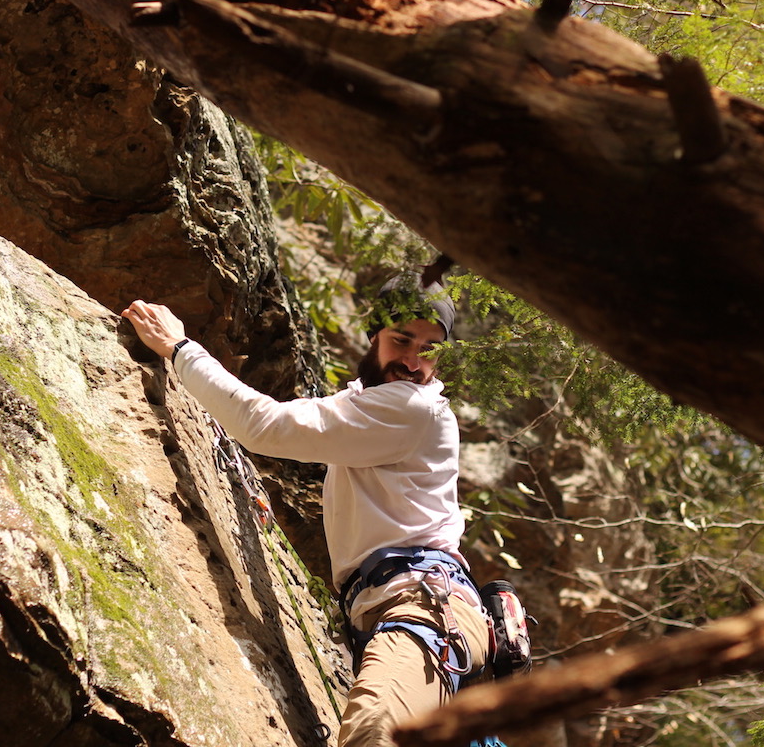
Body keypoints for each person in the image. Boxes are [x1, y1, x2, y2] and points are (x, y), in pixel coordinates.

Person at [122, 272, 491, 747]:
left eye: (430, 348)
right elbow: (280, 424)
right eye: (402, 340)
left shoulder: (415, 408)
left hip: (422, 605)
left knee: (374, 734)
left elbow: (265, 425)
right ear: (374, 332)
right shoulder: (366, 400)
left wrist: (179, 348)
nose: (414, 360)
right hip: (399, 606)